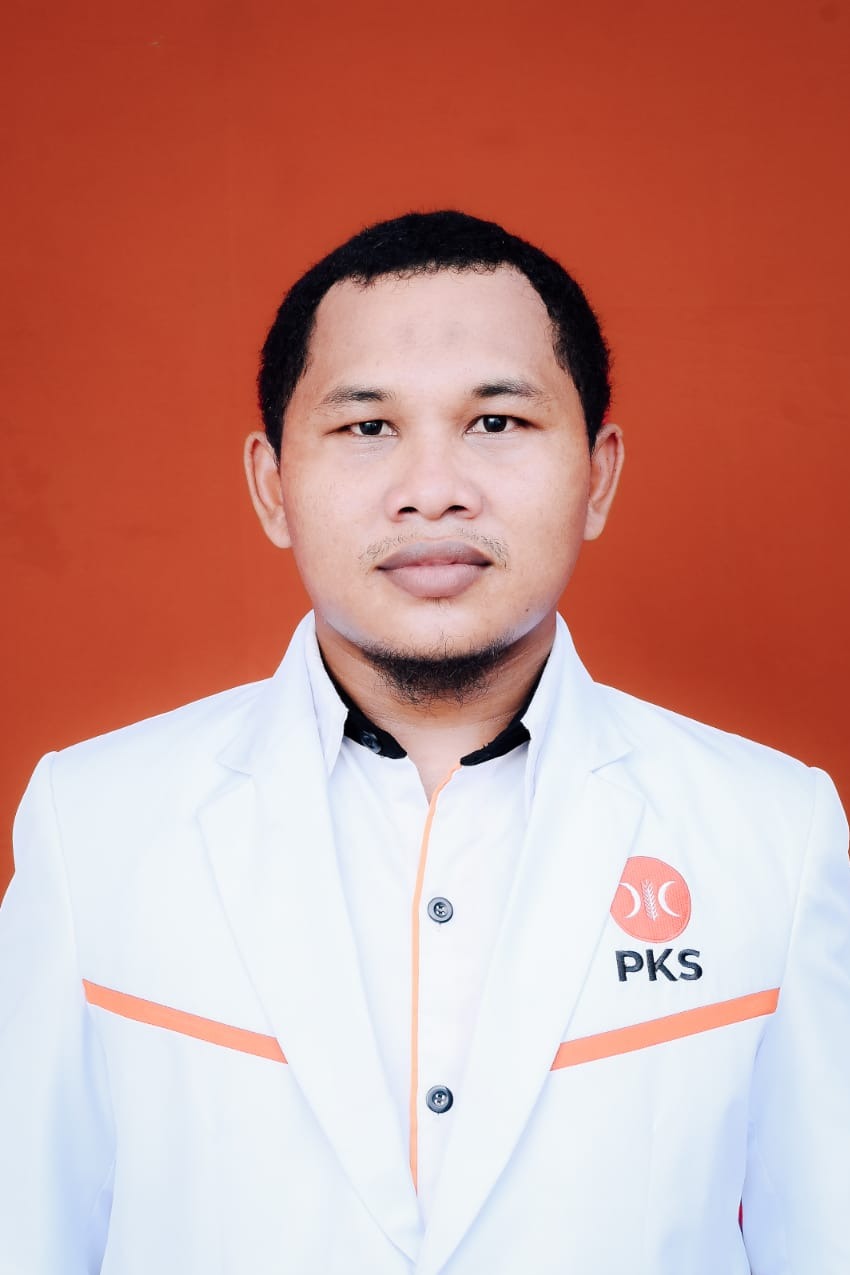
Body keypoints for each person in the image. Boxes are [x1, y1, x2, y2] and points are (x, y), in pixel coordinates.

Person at [1, 210, 848, 1275]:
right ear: (272, 485)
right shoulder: (94, 825)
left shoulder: (774, 835)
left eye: (496, 421)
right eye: (367, 427)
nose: (433, 488)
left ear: (598, 475)